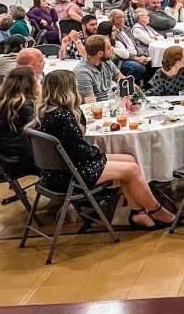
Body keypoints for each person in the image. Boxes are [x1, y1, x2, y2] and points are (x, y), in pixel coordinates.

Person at [35, 70, 173, 230]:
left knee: (129, 159)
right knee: (131, 169)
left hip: (57, 170)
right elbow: (79, 152)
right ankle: (156, 210)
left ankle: (138, 212)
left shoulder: (47, 111)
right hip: (69, 175)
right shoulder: (62, 116)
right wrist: (97, 152)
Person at [73, 34, 125, 102]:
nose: (111, 50)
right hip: (101, 105)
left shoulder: (107, 62)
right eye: (109, 48)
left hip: (114, 101)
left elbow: (124, 80)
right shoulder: (82, 73)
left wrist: (138, 94)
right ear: (100, 53)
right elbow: (91, 103)